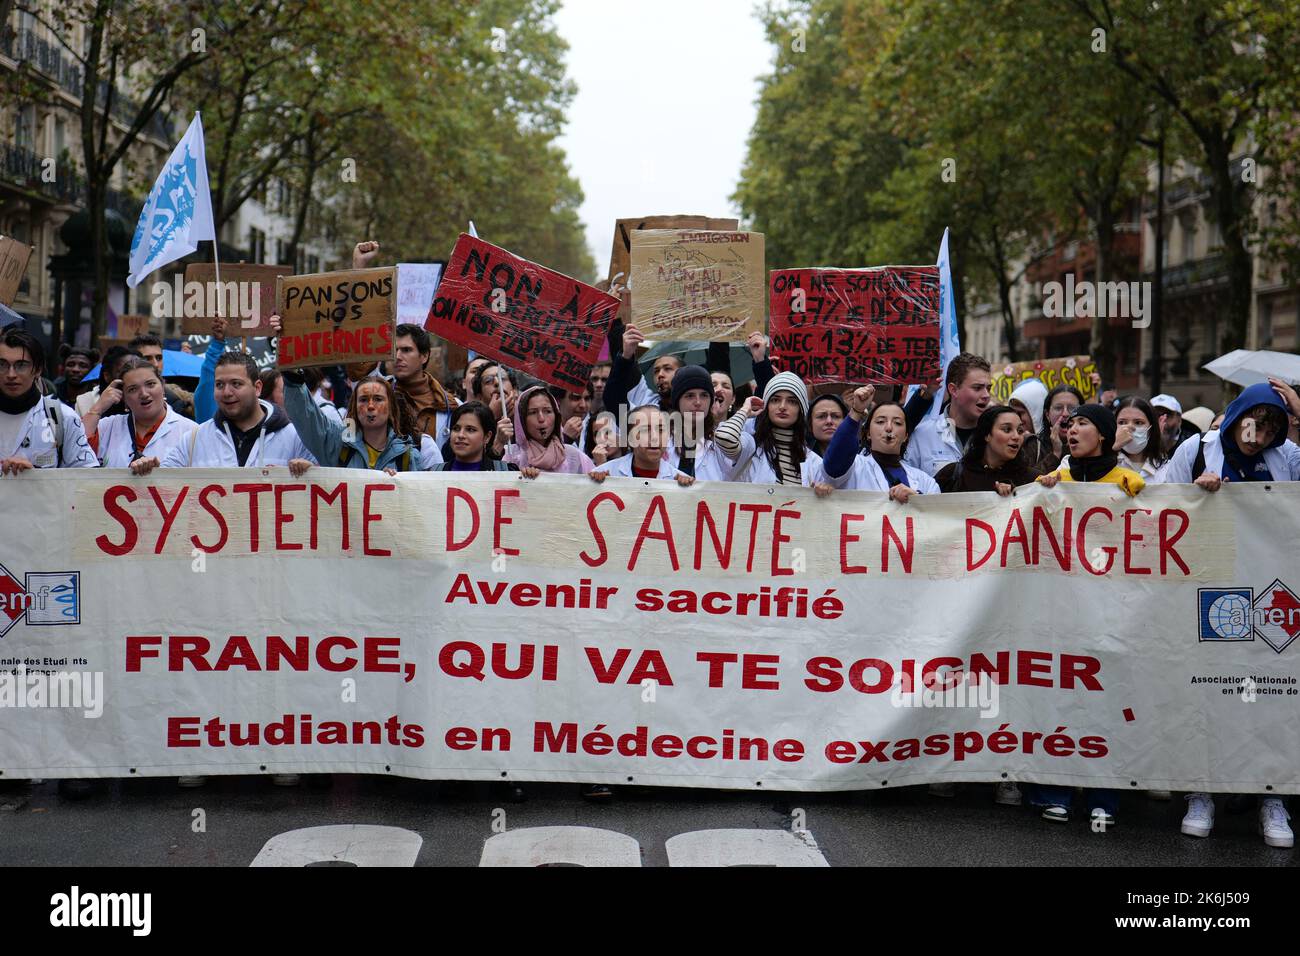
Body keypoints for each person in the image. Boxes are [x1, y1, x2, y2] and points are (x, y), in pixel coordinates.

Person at [138, 352, 316, 471]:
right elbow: (162, 482)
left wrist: (311, 472)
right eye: (220, 385)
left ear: (258, 388)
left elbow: (322, 486)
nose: (227, 392)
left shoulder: (294, 437)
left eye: (236, 384)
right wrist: (149, 469)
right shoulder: (194, 439)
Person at [282, 369, 440, 475]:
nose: (370, 406)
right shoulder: (338, 442)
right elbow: (306, 415)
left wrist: (398, 487)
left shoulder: (408, 456)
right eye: (363, 400)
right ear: (354, 407)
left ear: (391, 407)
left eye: (378, 399)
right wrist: (292, 376)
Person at [1157, 380, 1300, 487]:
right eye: (1255, 427)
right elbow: (1170, 508)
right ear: (1238, 416)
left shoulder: (1287, 454)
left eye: (1271, 432)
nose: (1260, 440)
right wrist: (1197, 496)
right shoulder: (1193, 449)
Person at [0, 327, 98, 473]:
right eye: (2, 365)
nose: (11, 374)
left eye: (21, 365)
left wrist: (38, 479)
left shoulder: (63, 417)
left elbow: (86, 479)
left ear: (38, 369)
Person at [818, 388, 940, 499]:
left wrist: (916, 498)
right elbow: (834, 464)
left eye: (897, 423)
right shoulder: (853, 468)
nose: (888, 428)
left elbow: (935, 516)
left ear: (906, 436)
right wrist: (856, 411)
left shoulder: (926, 482)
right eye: (880, 421)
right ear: (868, 433)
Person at [714, 372, 823, 486]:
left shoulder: (814, 462)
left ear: (801, 409)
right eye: (775, 400)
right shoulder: (751, 446)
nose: (782, 407)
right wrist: (745, 410)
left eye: (792, 401)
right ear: (766, 406)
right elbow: (724, 436)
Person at [88, 357, 197, 470]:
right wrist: (97, 408)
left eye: (150, 384)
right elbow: (77, 453)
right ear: (123, 398)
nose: (144, 394)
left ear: (163, 387)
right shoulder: (107, 427)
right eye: (132, 389)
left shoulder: (191, 431)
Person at [904, 353, 992, 476]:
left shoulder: (995, 436)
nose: (986, 395)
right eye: (977, 388)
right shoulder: (923, 435)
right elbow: (907, 483)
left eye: (989, 388)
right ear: (953, 390)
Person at [1036, 404, 1145, 498]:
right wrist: (1041, 487)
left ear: (1102, 434)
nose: (1072, 430)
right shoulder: (1056, 479)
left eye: (1082, 423)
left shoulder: (1127, 481)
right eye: (1070, 425)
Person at [934, 405, 1037, 495]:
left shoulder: (1032, 480)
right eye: (1007, 430)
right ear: (987, 435)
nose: (1016, 436)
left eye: (1020, 431)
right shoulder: (953, 474)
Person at [590, 404, 694, 485]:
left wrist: (686, 491)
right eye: (644, 430)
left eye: (661, 430)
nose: (654, 437)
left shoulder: (679, 480)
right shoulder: (605, 474)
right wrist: (596, 484)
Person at [501, 385, 594, 476]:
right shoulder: (509, 456)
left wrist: (599, 477)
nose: (541, 418)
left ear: (556, 415)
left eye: (548, 411)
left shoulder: (574, 456)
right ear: (521, 419)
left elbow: (599, 485)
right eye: (533, 412)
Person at [390, 323, 458, 445]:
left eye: (406, 350)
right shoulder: (380, 398)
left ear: (424, 356)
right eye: (394, 350)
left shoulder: (452, 405)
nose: (398, 356)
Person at [433, 402, 516, 472]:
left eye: (470, 430)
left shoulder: (508, 473)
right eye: (456, 429)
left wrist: (528, 474)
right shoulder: (431, 475)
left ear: (487, 437)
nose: (460, 435)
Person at [128, 332, 192, 418]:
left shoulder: (176, 397)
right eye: (147, 358)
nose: (156, 364)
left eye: (159, 358)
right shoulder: (115, 398)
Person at [1034, 384, 1083, 473]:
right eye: (1058, 408)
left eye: (1072, 408)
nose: (1065, 413)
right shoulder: (1033, 445)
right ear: (1047, 415)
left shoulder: (1092, 446)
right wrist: (1056, 453)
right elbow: (1027, 484)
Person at [806, 393, 848, 457]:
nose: (829, 421)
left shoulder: (861, 459)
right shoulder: (800, 458)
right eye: (821, 416)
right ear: (810, 424)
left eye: (836, 416)